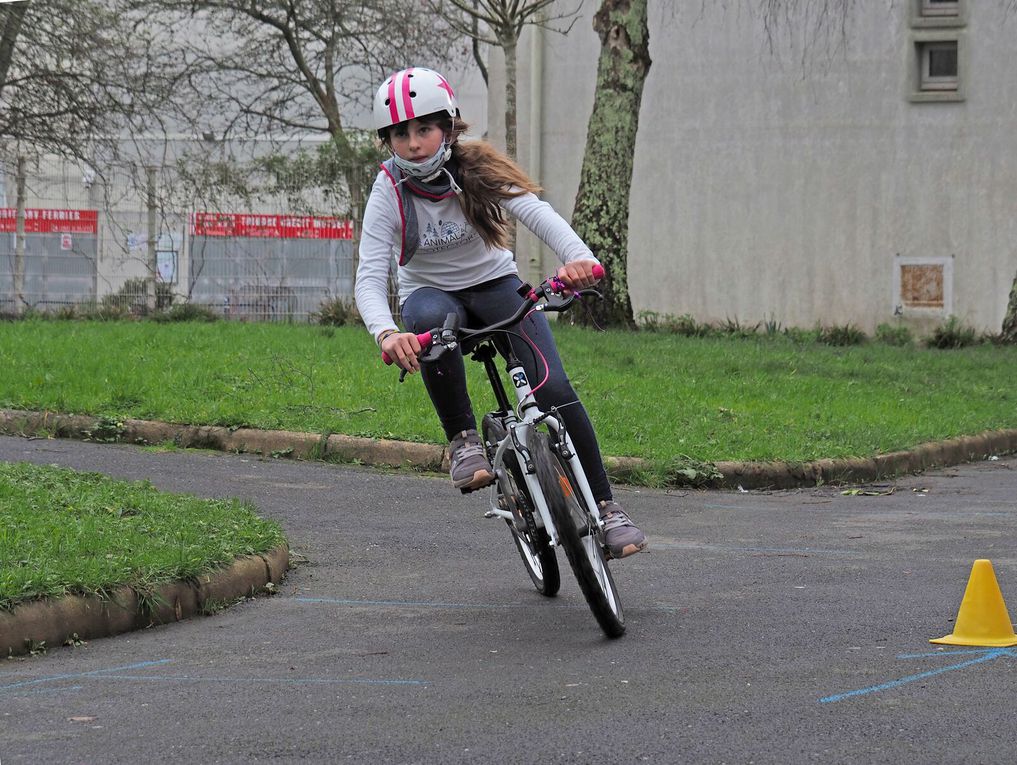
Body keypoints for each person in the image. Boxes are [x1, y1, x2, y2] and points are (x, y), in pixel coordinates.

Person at [354, 67, 647, 559]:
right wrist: (386, 333)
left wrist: (579, 259)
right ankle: (464, 439)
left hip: (494, 287)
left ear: (447, 127)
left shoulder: (475, 169)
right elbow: (368, 275)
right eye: (400, 134)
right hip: (431, 296)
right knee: (427, 321)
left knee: (553, 389)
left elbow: (537, 212)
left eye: (423, 129)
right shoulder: (388, 192)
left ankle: (607, 509)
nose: (414, 143)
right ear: (388, 140)